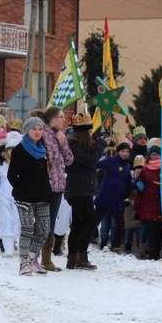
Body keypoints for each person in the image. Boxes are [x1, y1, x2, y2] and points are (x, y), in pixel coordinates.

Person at [8, 117, 52, 276]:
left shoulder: (43, 149)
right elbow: (12, 175)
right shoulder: (20, 150)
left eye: (40, 129)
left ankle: (34, 259)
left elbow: (45, 174)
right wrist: (21, 189)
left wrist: (48, 191)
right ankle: (24, 263)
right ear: (27, 130)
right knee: (27, 229)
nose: (37, 132)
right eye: (34, 129)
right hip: (24, 197)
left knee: (44, 229)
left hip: (42, 196)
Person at [64, 113, 107, 270]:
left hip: (83, 189)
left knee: (78, 225)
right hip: (79, 190)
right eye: (89, 132)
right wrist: (101, 145)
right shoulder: (74, 146)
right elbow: (91, 160)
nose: (91, 134)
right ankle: (81, 257)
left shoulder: (80, 146)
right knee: (90, 223)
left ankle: (72, 257)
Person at [36, 107, 74, 272]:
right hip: (44, 186)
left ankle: (46, 259)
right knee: (41, 222)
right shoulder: (42, 135)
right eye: (60, 117)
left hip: (58, 187)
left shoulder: (60, 136)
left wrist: (63, 143)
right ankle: (32, 258)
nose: (64, 119)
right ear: (51, 119)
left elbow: (70, 160)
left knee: (50, 223)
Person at [95, 140, 135, 252]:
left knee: (119, 225)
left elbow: (128, 184)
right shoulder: (110, 161)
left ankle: (115, 246)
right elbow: (96, 164)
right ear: (118, 152)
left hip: (118, 200)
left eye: (127, 151)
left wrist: (136, 184)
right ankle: (88, 241)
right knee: (96, 221)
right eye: (123, 151)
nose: (125, 153)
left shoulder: (127, 167)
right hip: (105, 197)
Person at [134, 145, 162, 260]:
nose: (154, 156)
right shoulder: (145, 170)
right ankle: (152, 253)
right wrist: (140, 186)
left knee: (159, 229)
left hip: (161, 204)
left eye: (156, 154)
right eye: (152, 154)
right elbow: (140, 185)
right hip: (149, 202)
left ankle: (157, 251)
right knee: (151, 230)